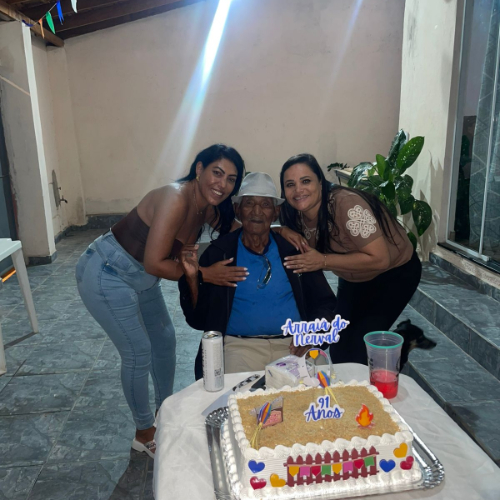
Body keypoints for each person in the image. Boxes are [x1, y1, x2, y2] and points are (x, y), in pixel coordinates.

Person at [75, 144, 246, 458]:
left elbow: (242, 230)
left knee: (165, 341)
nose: (222, 184)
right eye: (217, 173)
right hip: (107, 272)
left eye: (231, 179)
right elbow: (155, 262)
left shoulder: (208, 208)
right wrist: (206, 274)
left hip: (142, 279)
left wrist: (279, 232)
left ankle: (163, 412)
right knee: (138, 351)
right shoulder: (175, 197)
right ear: (199, 169)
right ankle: (144, 433)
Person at [177, 172, 336, 379]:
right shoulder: (220, 253)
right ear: (237, 210)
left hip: (293, 345)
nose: (257, 211)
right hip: (239, 347)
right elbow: (198, 320)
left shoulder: (293, 250)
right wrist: (192, 278)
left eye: (266, 205)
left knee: (318, 390)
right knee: (236, 395)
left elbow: (326, 304)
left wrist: (311, 334)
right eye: (249, 203)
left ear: (276, 212)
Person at [279, 153, 422, 365]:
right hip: (353, 276)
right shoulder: (294, 213)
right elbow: (257, 223)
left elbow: (380, 259)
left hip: (394, 274)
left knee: (358, 350)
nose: (298, 190)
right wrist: (281, 230)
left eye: (306, 181)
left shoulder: (346, 205)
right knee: (338, 344)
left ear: (320, 182)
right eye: (290, 184)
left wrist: (322, 260)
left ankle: (405, 341)